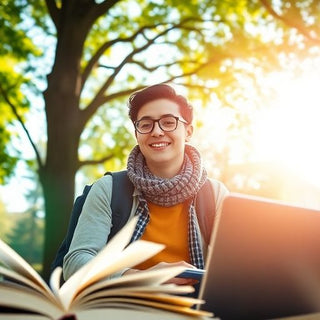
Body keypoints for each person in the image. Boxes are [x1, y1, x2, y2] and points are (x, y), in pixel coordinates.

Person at [63, 83, 229, 285]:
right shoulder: (108, 189)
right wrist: (142, 278)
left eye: (169, 122)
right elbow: (75, 263)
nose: (157, 131)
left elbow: (234, 269)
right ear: (136, 133)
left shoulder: (216, 194)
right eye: (145, 124)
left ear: (188, 131)